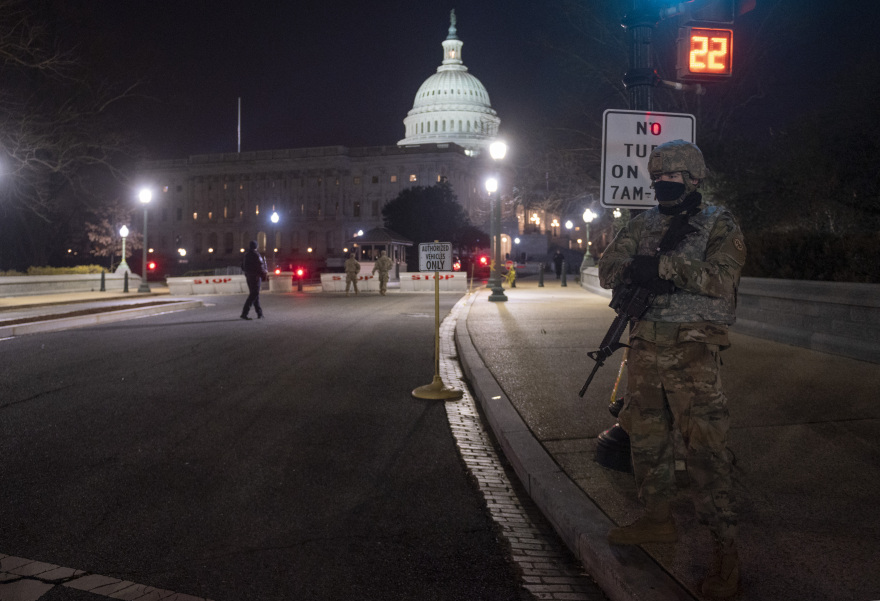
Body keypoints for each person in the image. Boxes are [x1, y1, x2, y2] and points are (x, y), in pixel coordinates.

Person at [597, 140, 747, 598]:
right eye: (657, 178)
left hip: (693, 353)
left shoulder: (719, 221)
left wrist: (664, 267)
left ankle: (726, 553)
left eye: (672, 179)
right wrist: (634, 268)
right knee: (646, 438)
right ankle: (658, 519)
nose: (662, 186)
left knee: (705, 450)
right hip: (644, 348)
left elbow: (722, 279)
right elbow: (607, 268)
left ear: (694, 180)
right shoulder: (642, 223)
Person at [240, 240, 267, 320]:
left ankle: (259, 313)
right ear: (256, 246)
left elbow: (242, 266)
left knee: (255, 294)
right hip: (256, 277)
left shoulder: (246, 255)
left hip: (249, 276)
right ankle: (244, 313)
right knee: (254, 295)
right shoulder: (256, 255)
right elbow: (260, 266)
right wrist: (264, 272)